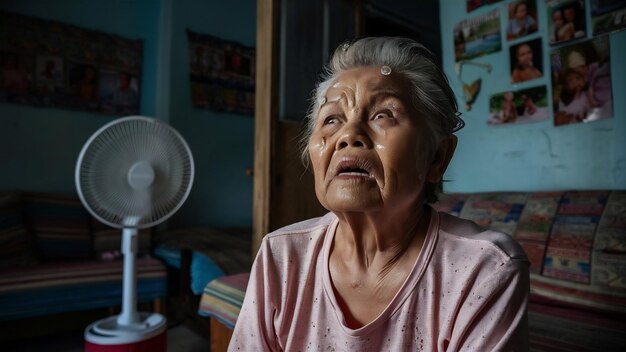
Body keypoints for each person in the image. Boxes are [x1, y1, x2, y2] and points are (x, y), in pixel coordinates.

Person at [229, 37, 529, 351]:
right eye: (332, 119)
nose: (348, 135)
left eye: (382, 115)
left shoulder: (485, 269)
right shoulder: (282, 255)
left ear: (437, 157)